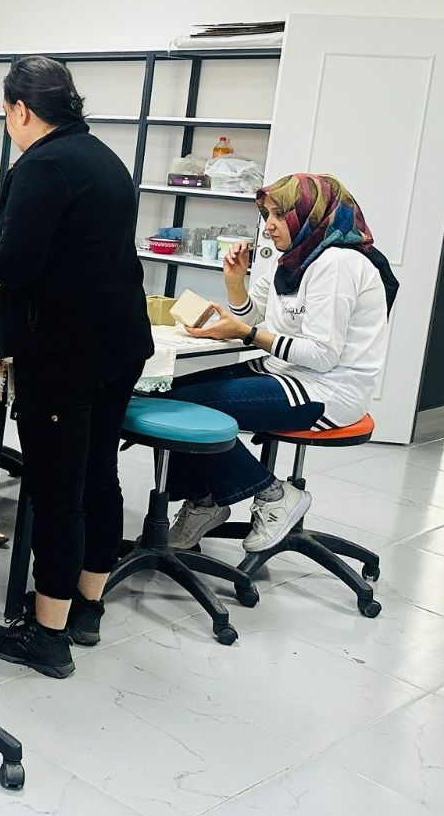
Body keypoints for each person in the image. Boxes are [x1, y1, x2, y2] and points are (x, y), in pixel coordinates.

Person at [0, 56, 152, 679]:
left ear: (20, 109)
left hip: (65, 352)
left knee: (58, 490)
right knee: (98, 475)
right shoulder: (102, 156)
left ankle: (47, 633)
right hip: (119, 342)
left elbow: (20, 261)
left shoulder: (41, 165)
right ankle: (87, 606)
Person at [167, 174, 396, 552]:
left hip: (328, 390)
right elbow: (254, 317)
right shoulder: (294, 257)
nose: (268, 226)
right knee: (172, 392)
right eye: (266, 215)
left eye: (279, 215)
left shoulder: (337, 263)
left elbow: (321, 355)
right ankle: (205, 500)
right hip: (286, 371)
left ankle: (273, 494)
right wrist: (235, 283)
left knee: (188, 408)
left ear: (311, 214)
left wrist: (246, 334)